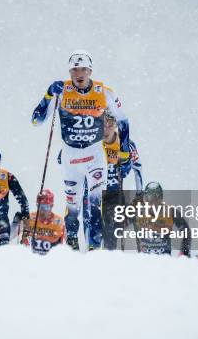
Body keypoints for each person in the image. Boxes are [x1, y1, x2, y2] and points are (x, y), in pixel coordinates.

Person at [31, 50, 131, 250]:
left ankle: (94, 246)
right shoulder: (62, 91)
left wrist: (125, 153)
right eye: (75, 69)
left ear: (90, 71)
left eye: (83, 69)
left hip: (94, 154)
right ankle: (73, 245)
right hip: (71, 156)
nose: (79, 73)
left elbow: (123, 120)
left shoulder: (104, 92)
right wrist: (49, 93)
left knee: (95, 205)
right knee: (74, 207)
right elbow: (36, 120)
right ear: (70, 72)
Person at [96, 109, 143, 250]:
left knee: (112, 224)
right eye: (102, 124)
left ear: (116, 125)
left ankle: (112, 257)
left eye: (110, 124)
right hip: (95, 194)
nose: (106, 129)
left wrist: (139, 194)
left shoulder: (125, 144)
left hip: (114, 195)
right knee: (95, 230)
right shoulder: (93, 143)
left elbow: (138, 168)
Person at [133, 182, 191, 256]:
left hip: (164, 262)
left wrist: (184, 253)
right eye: (149, 198)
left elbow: (186, 232)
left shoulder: (171, 212)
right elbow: (122, 222)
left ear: (161, 198)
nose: (152, 202)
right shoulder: (139, 212)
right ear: (145, 199)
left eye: (156, 198)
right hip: (145, 261)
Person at [20, 189, 65, 254]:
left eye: (46, 207)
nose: (43, 211)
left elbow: (69, 243)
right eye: (41, 207)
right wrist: (15, 222)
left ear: (51, 206)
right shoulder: (29, 219)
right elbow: (12, 235)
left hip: (51, 260)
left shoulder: (59, 222)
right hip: (31, 258)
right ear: (37, 205)